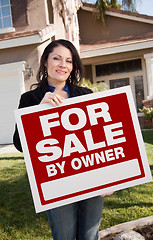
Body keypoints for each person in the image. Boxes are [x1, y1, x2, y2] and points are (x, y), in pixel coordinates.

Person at [13, 39, 110, 240]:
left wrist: (107, 177)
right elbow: (20, 144)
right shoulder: (30, 99)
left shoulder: (85, 95)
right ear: (46, 62)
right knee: (64, 235)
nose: (63, 65)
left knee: (89, 236)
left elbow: (101, 139)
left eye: (69, 60)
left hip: (90, 177)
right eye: (57, 58)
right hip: (56, 182)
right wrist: (39, 111)